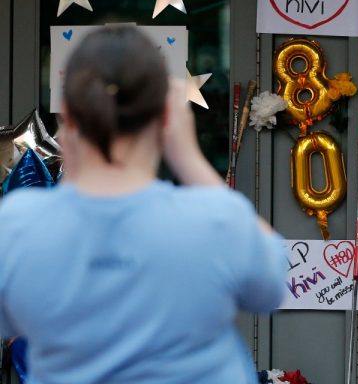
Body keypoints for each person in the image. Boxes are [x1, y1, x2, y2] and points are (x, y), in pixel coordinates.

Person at [0, 26, 286, 383]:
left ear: (67, 119)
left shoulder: (19, 226)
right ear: (168, 118)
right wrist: (188, 157)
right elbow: (273, 282)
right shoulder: (211, 220)